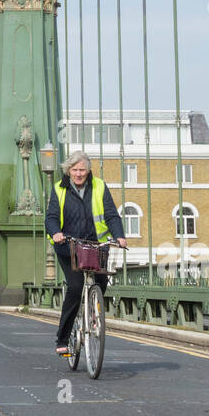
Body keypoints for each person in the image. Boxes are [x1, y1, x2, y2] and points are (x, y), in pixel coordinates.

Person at [44, 150, 127, 356]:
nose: (78, 174)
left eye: (82, 170)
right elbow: (52, 216)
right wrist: (55, 233)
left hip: (96, 245)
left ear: (88, 170)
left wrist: (119, 235)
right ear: (68, 170)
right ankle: (63, 338)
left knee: (100, 283)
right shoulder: (59, 189)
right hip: (69, 247)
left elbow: (111, 214)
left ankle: (93, 314)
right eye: (74, 170)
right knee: (75, 286)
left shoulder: (98, 186)